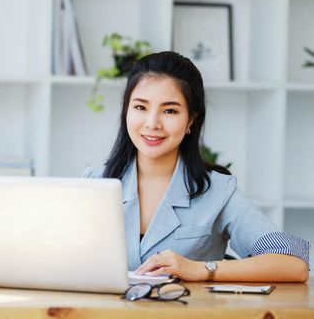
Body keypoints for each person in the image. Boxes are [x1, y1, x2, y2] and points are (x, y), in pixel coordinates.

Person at [83, 51, 310, 282]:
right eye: (140, 107)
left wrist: (201, 269)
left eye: (170, 111)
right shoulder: (95, 183)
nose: (152, 123)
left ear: (191, 119)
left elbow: (293, 263)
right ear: (126, 111)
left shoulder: (218, 191)